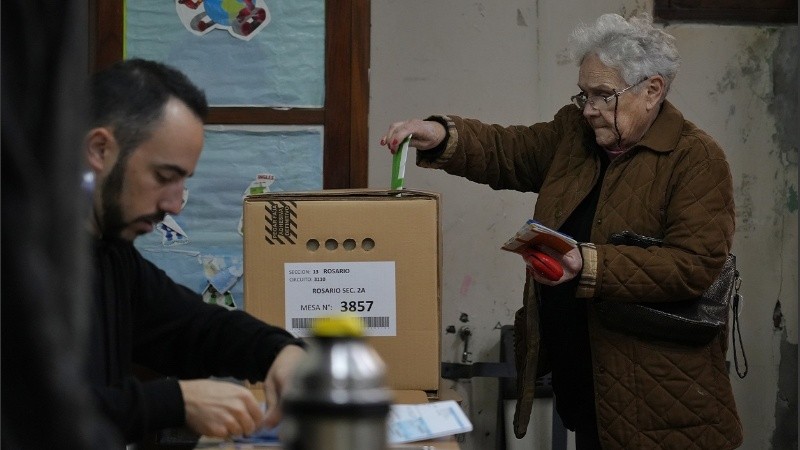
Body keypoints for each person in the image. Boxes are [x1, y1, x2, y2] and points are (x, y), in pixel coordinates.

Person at [381, 13, 742, 450]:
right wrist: (441, 135)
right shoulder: (575, 136)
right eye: (584, 94)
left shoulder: (696, 159)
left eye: (603, 95)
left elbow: (695, 265)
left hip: (658, 401)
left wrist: (589, 262)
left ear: (652, 90)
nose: (589, 109)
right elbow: (508, 150)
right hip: (590, 385)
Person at [84, 58, 306, 444]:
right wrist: (175, 402)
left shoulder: (111, 252)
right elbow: (26, 411)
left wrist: (281, 352)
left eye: (182, 182)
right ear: (101, 149)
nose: (174, 204)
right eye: (164, 177)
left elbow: (194, 327)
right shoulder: (21, 254)